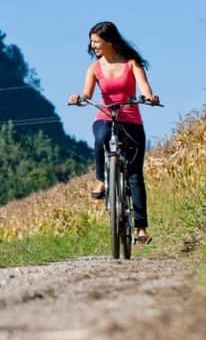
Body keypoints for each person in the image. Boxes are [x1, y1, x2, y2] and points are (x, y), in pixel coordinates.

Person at [68, 21, 159, 245]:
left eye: (97, 42)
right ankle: (101, 179)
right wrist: (78, 99)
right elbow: (87, 94)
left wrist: (150, 97)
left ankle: (141, 229)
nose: (93, 46)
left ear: (109, 41)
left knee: (135, 175)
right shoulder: (94, 68)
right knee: (101, 137)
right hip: (105, 116)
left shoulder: (131, 63)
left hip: (131, 120)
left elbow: (144, 86)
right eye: (92, 42)